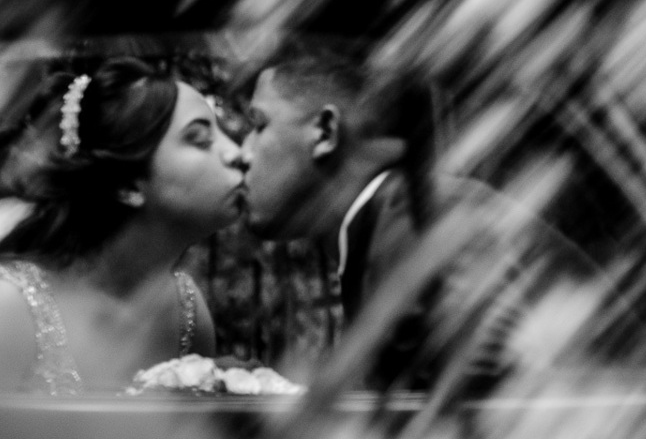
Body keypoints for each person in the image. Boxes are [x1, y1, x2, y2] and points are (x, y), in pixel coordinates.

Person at [237, 38, 596, 395]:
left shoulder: (416, 226)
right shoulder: (391, 221)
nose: (243, 152)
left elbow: (477, 404)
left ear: (325, 132)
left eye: (258, 125)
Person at [0, 55, 246, 395]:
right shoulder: (0, 311)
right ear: (127, 185)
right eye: (199, 139)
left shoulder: (187, 311)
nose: (238, 152)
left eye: (224, 132)